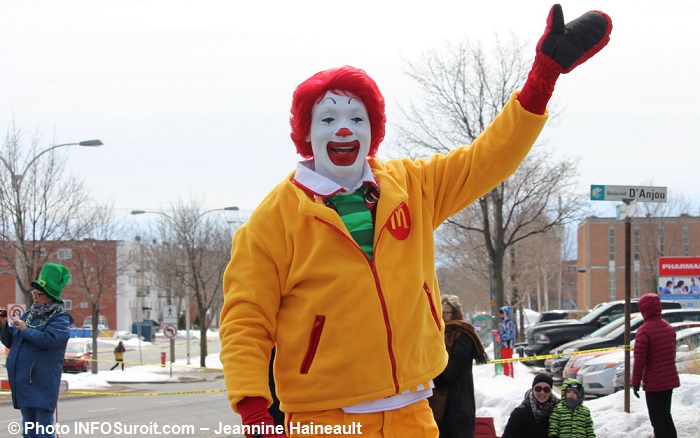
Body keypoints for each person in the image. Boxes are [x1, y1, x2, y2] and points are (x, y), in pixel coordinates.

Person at [218, 5, 612, 438]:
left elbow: (487, 159)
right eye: (327, 119)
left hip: (415, 415)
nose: (344, 130)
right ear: (306, 133)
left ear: (373, 130)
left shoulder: (412, 187)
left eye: (356, 118)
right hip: (324, 420)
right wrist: (254, 407)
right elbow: (246, 319)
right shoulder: (273, 220)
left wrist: (541, 80)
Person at [0, 263, 73, 438]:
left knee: (44, 430)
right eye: (34, 293)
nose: (35, 297)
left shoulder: (60, 319)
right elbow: (12, 341)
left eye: (39, 294)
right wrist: (3, 327)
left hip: (41, 382)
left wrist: (25, 330)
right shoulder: (29, 315)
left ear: (51, 296)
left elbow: (49, 340)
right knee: (29, 431)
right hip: (23, 381)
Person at [429, 295, 489, 438]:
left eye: (446, 312)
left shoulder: (463, 334)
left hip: (458, 398)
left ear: (455, 313)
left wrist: (435, 379)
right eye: (440, 312)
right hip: (439, 400)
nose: (443, 316)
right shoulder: (436, 334)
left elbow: (456, 365)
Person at [631, 293, 679, 438]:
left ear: (643, 310)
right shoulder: (668, 328)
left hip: (654, 382)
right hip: (669, 380)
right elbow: (672, 353)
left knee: (657, 420)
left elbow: (640, 360)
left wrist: (635, 382)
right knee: (666, 416)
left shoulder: (644, 331)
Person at [502, 373, 560, 438]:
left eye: (546, 389)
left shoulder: (558, 410)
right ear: (533, 390)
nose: (542, 392)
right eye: (538, 388)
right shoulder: (520, 413)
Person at [497, 306, 517, 377]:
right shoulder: (501, 323)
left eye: (502, 313)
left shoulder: (510, 324)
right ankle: (506, 376)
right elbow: (501, 332)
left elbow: (509, 334)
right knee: (504, 363)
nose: (501, 314)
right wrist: (497, 333)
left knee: (508, 362)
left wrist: (501, 337)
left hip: (508, 345)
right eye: (500, 313)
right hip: (502, 345)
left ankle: (510, 377)